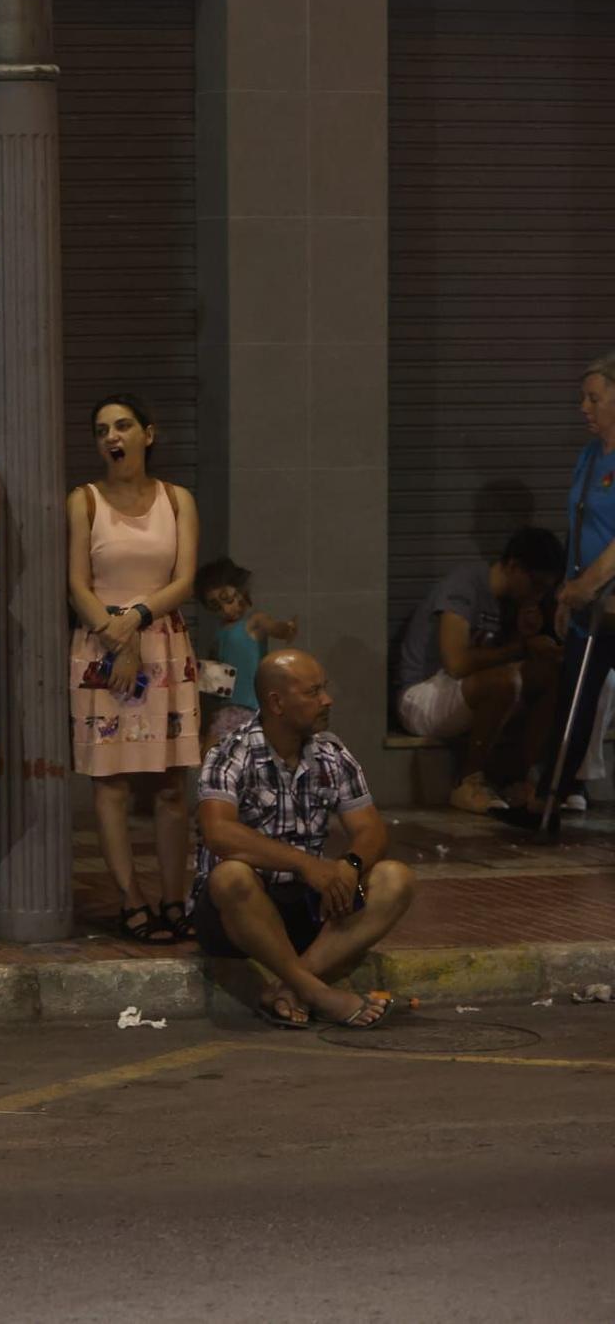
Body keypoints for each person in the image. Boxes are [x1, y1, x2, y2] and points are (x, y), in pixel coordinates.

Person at [190, 649, 415, 1029]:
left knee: (395, 878)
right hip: (240, 914)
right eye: (313, 692)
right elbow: (219, 832)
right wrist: (307, 865)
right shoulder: (230, 754)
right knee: (231, 876)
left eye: (323, 689)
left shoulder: (331, 752)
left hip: (311, 907)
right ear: (277, 703)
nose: (327, 700)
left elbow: (370, 829)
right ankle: (320, 994)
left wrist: (350, 865)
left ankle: (290, 987)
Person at [66, 394, 201, 944]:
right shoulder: (85, 501)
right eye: (101, 431)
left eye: (122, 427)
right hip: (101, 644)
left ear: (149, 434)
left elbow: (184, 580)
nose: (111, 438)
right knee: (112, 783)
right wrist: (115, 635)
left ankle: (174, 897)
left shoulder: (178, 499)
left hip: (164, 643)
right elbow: (77, 584)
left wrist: (138, 619)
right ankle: (131, 899)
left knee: (171, 785)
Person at [510, 352, 615, 830]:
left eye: (594, 397)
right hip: (586, 605)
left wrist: (590, 584)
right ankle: (548, 799)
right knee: (573, 700)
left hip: (606, 597)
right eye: (582, 398)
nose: (584, 407)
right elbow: (578, 527)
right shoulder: (590, 457)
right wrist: (566, 592)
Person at [392, 528, 564, 813]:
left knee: (550, 675)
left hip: (463, 693)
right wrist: (521, 647)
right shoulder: (465, 585)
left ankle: (520, 777)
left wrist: (528, 635)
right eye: (536, 585)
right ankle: (467, 781)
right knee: (503, 682)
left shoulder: (516, 602)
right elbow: (456, 663)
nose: (539, 594)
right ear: (514, 567)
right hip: (421, 694)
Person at [195, 556, 297, 749]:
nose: (226, 609)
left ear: (241, 588)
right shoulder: (219, 635)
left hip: (249, 709)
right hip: (226, 709)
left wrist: (286, 629)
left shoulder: (254, 623)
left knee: (211, 759)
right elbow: (211, 684)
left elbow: (273, 627)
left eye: (228, 599)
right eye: (216, 606)